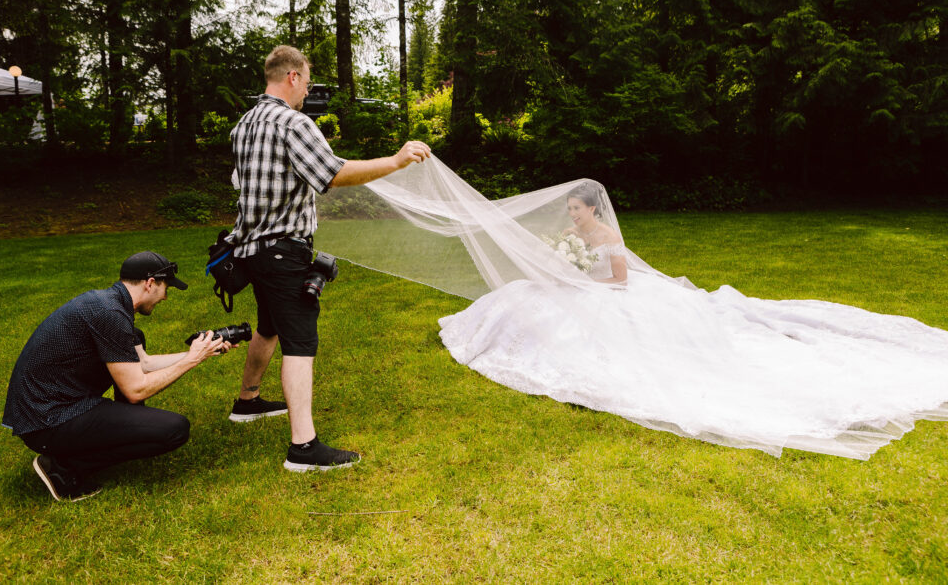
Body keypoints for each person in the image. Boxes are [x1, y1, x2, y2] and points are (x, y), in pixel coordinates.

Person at [308, 156, 948, 461]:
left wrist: (575, 281)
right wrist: (560, 269)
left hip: (616, 298)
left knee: (570, 324)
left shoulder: (608, 239)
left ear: (592, 210)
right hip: (583, 286)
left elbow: (617, 282)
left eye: (577, 211)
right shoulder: (576, 233)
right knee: (522, 303)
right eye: (573, 213)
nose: (572, 217)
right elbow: (570, 262)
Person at [227, 44, 430, 472]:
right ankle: (303, 447)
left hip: (250, 250)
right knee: (301, 341)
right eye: (307, 82)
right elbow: (333, 174)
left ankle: (247, 401)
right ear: (293, 77)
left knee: (269, 325)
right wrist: (395, 160)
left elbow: (242, 182)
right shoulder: (292, 122)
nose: (307, 93)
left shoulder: (245, 123)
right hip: (283, 249)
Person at [2, 251, 231, 501]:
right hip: (48, 420)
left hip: (48, 411)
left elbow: (143, 363)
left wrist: (202, 352)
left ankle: (105, 439)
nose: (165, 296)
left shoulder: (108, 305)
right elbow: (136, 389)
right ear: (150, 283)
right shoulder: (109, 313)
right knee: (175, 429)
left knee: (137, 338)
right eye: (166, 288)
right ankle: (63, 467)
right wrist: (191, 360)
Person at [561, 183, 627, 283]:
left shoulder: (610, 237)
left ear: (591, 208)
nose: (572, 214)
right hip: (573, 286)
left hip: (604, 288)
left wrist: (586, 283)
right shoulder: (569, 234)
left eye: (576, 208)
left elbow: (621, 280)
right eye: (569, 208)